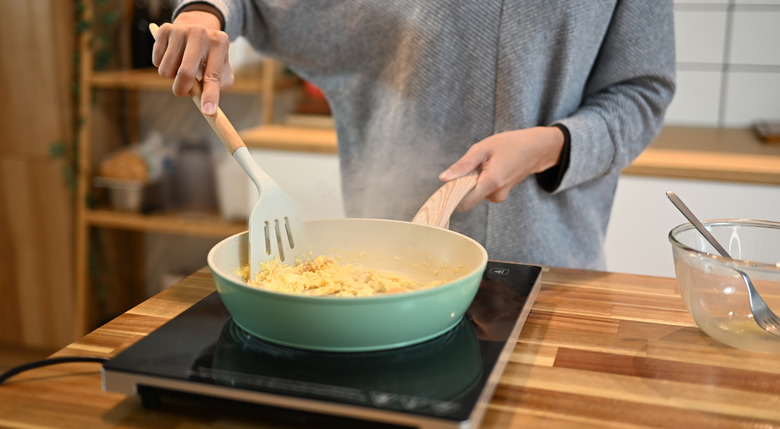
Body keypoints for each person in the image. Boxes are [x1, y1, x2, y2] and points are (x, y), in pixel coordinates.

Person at [152, 0, 675, 270]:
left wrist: (553, 145)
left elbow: (641, 89)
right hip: (383, 265)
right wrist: (204, 12)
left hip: (552, 266)